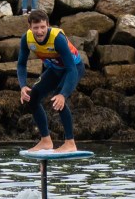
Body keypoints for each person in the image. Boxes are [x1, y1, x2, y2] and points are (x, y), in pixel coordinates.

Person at [18, 9, 85, 153]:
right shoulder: (26, 39)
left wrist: (63, 94)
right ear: (29, 27)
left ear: (48, 25)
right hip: (55, 69)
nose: (40, 31)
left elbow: (71, 69)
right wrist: (23, 86)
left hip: (73, 68)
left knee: (57, 99)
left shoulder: (57, 39)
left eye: (43, 27)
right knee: (33, 98)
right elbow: (21, 64)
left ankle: (70, 143)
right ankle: (45, 141)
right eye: (36, 27)